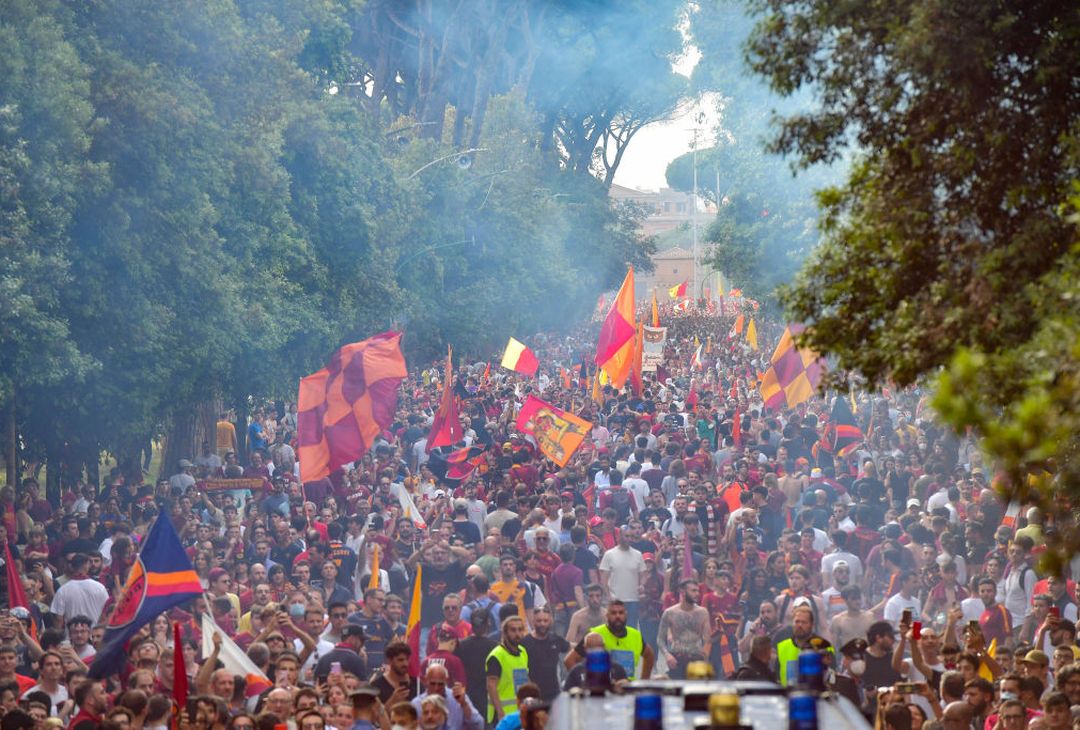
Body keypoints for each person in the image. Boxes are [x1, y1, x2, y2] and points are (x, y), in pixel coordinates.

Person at [563, 600, 655, 681]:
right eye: (613, 613)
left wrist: (643, 681)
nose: (617, 616)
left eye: (621, 613)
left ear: (626, 614)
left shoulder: (635, 635)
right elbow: (569, 660)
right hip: (603, 689)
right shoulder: (595, 634)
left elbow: (649, 655)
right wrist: (582, 682)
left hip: (628, 690)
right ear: (607, 615)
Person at [656, 579, 711, 679]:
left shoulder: (703, 613)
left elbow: (708, 640)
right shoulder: (670, 613)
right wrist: (667, 655)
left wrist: (705, 659)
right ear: (683, 592)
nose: (697, 594)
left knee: (694, 693)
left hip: (697, 658)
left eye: (698, 591)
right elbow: (660, 639)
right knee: (676, 692)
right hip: (677, 658)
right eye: (693, 591)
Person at [485, 616, 530, 724]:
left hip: (520, 712)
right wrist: (500, 712)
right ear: (505, 632)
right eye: (513, 630)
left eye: (520, 630)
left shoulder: (523, 652)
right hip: (502, 715)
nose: (517, 634)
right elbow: (491, 686)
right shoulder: (497, 656)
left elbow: (526, 678)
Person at [410, 663, 483, 730]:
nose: (436, 688)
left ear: (446, 681)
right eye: (432, 684)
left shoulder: (458, 698)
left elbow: (479, 726)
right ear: (425, 681)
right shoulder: (416, 704)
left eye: (440, 684)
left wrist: (464, 704)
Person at [518, 607, 569, 702]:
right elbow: (520, 671)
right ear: (533, 621)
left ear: (551, 621)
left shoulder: (555, 639)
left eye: (545, 620)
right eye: (539, 621)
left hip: (554, 694)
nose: (542, 624)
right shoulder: (524, 643)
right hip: (533, 695)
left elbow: (571, 647)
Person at [598, 527, 645, 628]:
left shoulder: (638, 555)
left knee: (631, 630)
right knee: (615, 630)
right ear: (619, 536)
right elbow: (604, 580)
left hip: (633, 600)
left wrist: (642, 585)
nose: (629, 539)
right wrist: (608, 596)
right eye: (626, 536)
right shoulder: (609, 554)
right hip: (616, 600)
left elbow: (643, 575)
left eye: (631, 536)